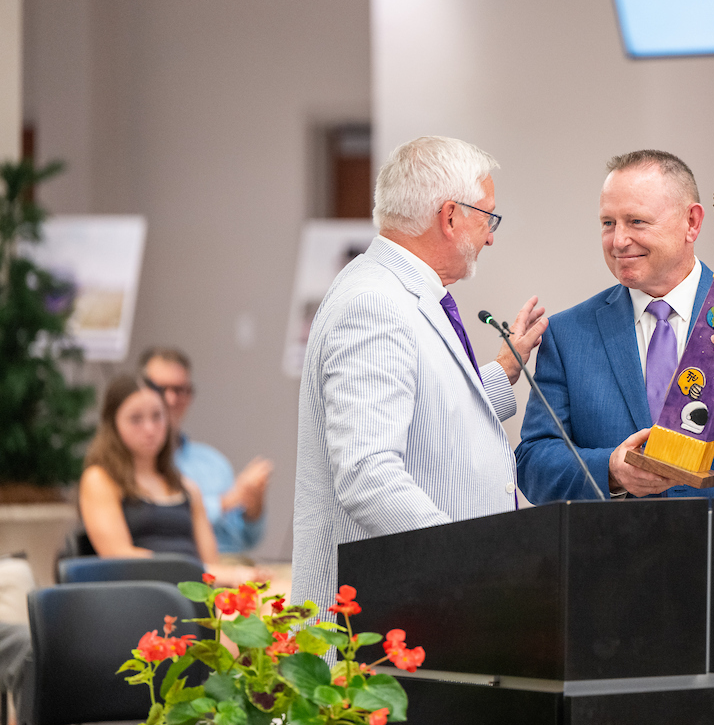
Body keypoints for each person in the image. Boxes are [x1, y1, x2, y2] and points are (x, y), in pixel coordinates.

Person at [292, 135, 547, 614]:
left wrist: (504, 369)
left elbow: (431, 414)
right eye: (487, 218)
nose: (490, 237)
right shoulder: (374, 305)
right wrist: (468, 563)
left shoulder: (397, 292)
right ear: (449, 217)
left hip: (416, 606)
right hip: (383, 621)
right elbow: (367, 474)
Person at [516, 149, 714, 501]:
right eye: (608, 223)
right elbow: (533, 464)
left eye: (637, 221)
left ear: (692, 223)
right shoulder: (567, 335)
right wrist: (611, 471)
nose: (618, 240)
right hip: (618, 537)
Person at [77, 374, 260, 586]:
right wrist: (206, 572)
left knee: (278, 592)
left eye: (157, 417)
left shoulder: (187, 488)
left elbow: (211, 564)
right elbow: (118, 556)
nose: (149, 429)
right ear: (113, 424)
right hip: (146, 592)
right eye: (136, 419)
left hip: (196, 588)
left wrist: (236, 576)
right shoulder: (100, 480)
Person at [140, 347, 271, 556]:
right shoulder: (137, 464)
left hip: (227, 562)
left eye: (180, 390)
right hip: (177, 565)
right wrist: (227, 501)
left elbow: (245, 539)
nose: (171, 399)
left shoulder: (214, 462)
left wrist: (252, 503)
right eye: (161, 389)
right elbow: (159, 523)